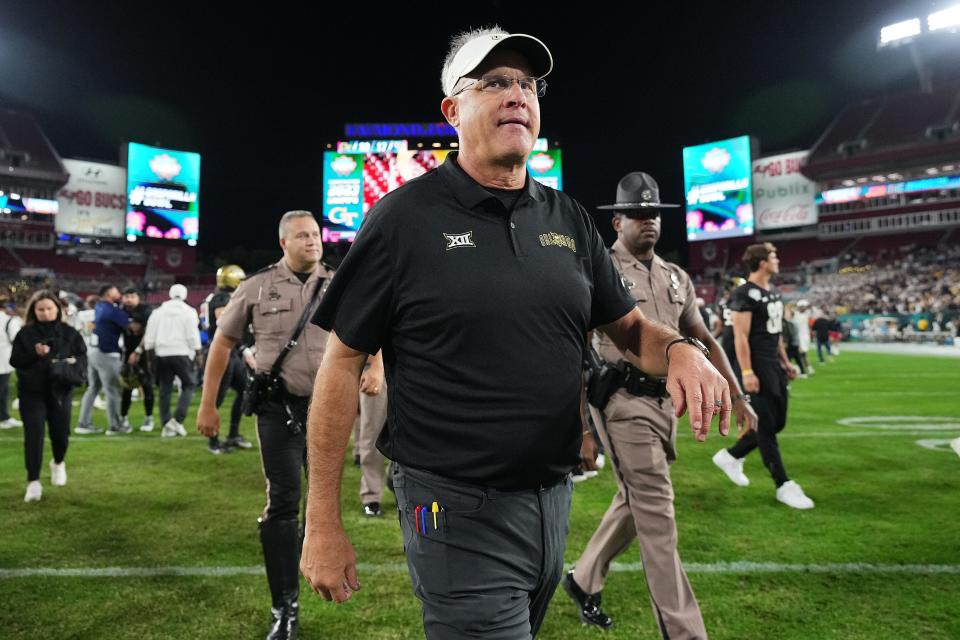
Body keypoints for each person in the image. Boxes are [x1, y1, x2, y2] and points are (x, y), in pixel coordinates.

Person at [298, 28, 730, 639]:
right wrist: (322, 520)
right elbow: (341, 363)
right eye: (495, 83)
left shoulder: (568, 217)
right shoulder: (402, 220)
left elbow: (630, 329)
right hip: (453, 504)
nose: (516, 96)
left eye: (527, 84)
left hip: (551, 500)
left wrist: (681, 349)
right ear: (452, 110)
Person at [563, 172, 757, 636]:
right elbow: (574, 350)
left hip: (665, 407)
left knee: (635, 501)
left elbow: (704, 338)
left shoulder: (676, 276)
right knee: (657, 510)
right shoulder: (597, 269)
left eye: (652, 213)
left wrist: (736, 392)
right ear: (617, 223)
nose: (646, 221)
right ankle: (684, 631)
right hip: (621, 401)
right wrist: (582, 430)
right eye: (636, 213)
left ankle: (583, 578)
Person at [196, 210, 335, 640]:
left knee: (323, 503)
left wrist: (376, 367)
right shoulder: (255, 286)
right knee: (283, 503)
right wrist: (208, 405)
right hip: (279, 409)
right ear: (283, 243)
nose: (312, 242)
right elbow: (223, 342)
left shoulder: (339, 282)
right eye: (302, 236)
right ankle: (285, 607)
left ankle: (320, 567)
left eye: (315, 234)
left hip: (328, 410)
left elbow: (374, 328)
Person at [712, 243, 814, 510]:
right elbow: (741, 338)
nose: (778, 260)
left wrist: (784, 361)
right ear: (761, 262)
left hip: (772, 364)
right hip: (753, 364)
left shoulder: (774, 293)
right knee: (766, 426)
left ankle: (732, 456)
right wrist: (746, 372)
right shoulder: (744, 294)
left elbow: (776, 333)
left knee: (777, 421)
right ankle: (783, 484)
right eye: (773, 256)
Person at [9, 290, 86, 502]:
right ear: (33, 310)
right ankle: (33, 481)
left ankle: (58, 462)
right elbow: (15, 361)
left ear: (58, 309)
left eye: (49, 308)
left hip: (61, 391)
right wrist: (35, 354)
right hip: (31, 393)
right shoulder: (25, 334)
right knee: (33, 437)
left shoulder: (70, 333)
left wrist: (73, 363)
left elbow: (82, 356)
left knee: (61, 435)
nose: (45, 312)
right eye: (40, 309)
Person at [199, 264, 254, 454]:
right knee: (216, 398)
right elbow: (226, 325)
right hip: (222, 353)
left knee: (245, 389)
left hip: (232, 353)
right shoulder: (222, 298)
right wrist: (245, 347)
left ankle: (233, 434)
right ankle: (213, 441)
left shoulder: (218, 296)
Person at [144, 284, 201, 437]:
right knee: (189, 384)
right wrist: (198, 353)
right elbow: (193, 336)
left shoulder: (158, 312)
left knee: (165, 388)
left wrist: (150, 359)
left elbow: (149, 337)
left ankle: (166, 423)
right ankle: (177, 420)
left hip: (162, 354)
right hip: (182, 353)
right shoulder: (189, 312)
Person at [76, 285, 129, 435]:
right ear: (108, 293)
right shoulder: (111, 310)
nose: (119, 293)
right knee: (112, 390)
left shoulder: (100, 306)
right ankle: (115, 426)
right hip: (106, 353)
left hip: (93, 351)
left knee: (93, 388)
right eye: (116, 290)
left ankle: (83, 423)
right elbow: (128, 325)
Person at [119, 287, 155, 431]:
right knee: (127, 387)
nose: (129, 299)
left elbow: (150, 333)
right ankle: (123, 418)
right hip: (126, 353)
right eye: (126, 296)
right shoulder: (120, 311)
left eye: (132, 296)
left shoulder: (145, 310)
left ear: (138, 297)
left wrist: (138, 351)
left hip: (144, 354)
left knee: (147, 386)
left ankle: (148, 418)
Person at [356, 352, 387, 516]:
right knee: (372, 435)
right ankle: (371, 496)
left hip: (412, 367)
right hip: (377, 367)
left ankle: (397, 480)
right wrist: (376, 364)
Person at [0, 297, 24, 429]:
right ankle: (3, 418)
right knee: (3, 390)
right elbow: (17, 339)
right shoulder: (9, 320)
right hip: (3, 359)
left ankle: (4, 417)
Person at [791, 299, 814, 375]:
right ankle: (805, 369)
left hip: (804, 338)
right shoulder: (795, 313)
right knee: (799, 354)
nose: (804, 308)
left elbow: (810, 309)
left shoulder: (807, 314)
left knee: (802, 354)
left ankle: (806, 369)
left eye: (805, 307)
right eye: (803, 306)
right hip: (797, 337)